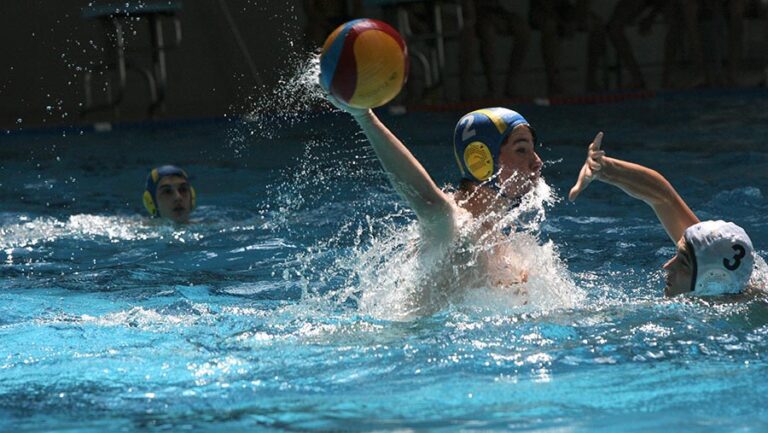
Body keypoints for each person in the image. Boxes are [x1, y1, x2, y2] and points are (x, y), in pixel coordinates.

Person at [327, 90, 546, 312]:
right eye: (522, 150)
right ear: (481, 160)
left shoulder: (504, 245)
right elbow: (428, 200)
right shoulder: (454, 225)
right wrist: (365, 117)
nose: (537, 162)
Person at [569, 133, 756, 297]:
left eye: (683, 262)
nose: (667, 266)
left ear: (712, 279)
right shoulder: (715, 265)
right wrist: (605, 169)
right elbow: (663, 197)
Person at [529, 0, 607, 95]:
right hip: (541, 9)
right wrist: (562, 22)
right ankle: (553, 82)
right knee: (550, 26)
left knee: (598, 25)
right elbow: (544, 4)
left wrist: (576, 18)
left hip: (566, 9)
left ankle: (591, 79)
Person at [459, 0, 531, 100]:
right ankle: (492, 86)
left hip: (498, 11)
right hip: (477, 13)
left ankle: (511, 83)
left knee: (523, 30)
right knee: (487, 32)